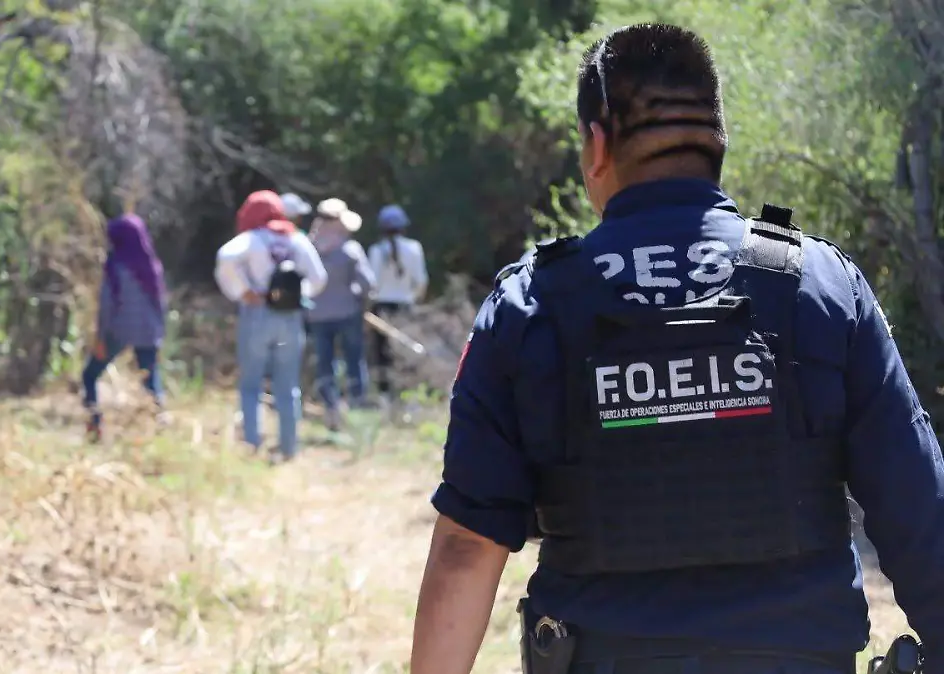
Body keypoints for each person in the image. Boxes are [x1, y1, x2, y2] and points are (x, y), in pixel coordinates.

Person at [410, 23, 944, 674]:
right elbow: (919, 510)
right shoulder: (820, 285)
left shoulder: (532, 304)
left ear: (596, 145)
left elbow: (468, 546)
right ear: (719, 138)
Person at [214, 190, 327, 462]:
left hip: (257, 314)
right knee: (287, 386)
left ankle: (252, 445)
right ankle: (288, 448)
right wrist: (298, 295)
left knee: (251, 384)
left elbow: (225, 256)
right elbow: (319, 278)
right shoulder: (296, 239)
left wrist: (243, 291)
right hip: (290, 318)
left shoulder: (252, 238)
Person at [83, 213, 169, 442]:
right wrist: (159, 333)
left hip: (118, 331)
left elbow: (107, 307)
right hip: (148, 331)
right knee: (150, 381)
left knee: (89, 375)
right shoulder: (152, 267)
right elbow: (161, 303)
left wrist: (100, 338)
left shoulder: (115, 267)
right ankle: (160, 424)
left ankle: (94, 425)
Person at [305, 198, 375, 431]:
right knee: (354, 359)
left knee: (325, 362)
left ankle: (331, 407)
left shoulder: (309, 248)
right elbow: (367, 283)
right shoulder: (350, 249)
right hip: (347, 312)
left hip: (316, 314)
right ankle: (356, 405)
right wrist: (355, 295)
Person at [367, 204, 428, 402]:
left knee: (383, 353)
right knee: (407, 352)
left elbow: (372, 284)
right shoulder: (414, 248)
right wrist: (414, 300)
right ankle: (409, 396)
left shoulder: (376, 251)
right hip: (406, 306)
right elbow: (421, 282)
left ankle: (385, 397)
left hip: (382, 307)